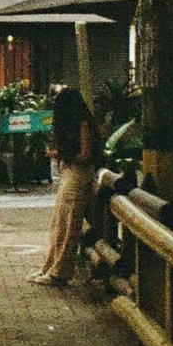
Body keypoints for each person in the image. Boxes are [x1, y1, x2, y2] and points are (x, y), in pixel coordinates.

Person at [32, 87, 102, 286]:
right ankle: (50, 266)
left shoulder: (82, 124)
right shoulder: (79, 123)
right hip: (70, 175)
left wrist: (62, 154)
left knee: (70, 224)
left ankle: (61, 271)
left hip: (78, 176)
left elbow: (86, 154)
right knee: (59, 223)